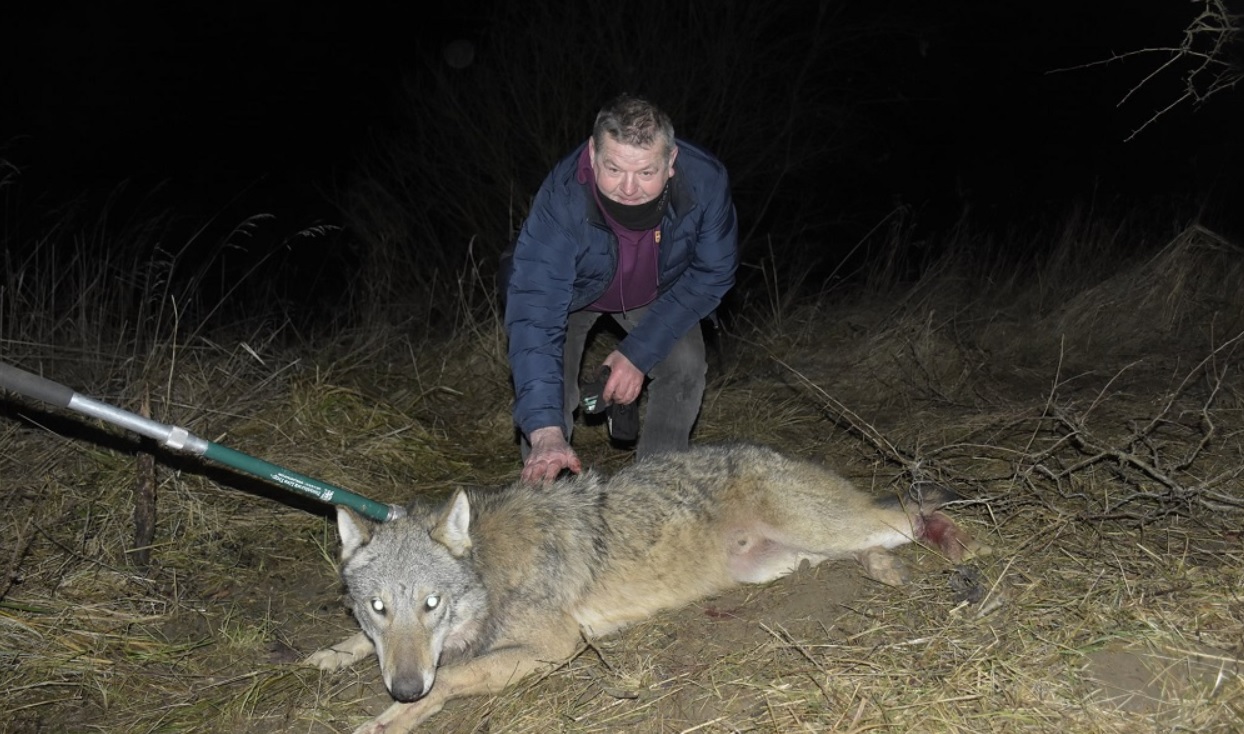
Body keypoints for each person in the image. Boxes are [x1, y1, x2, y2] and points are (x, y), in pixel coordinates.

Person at [501, 94, 738, 483]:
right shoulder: (561, 200)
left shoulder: (706, 183)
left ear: (671, 162)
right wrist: (545, 432)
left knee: (685, 365)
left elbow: (713, 273)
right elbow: (535, 315)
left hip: (655, 291)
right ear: (593, 154)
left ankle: (656, 493)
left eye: (646, 173)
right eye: (613, 169)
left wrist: (637, 354)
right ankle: (546, 494)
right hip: (574, 292)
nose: (628, 188)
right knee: (552, 377)